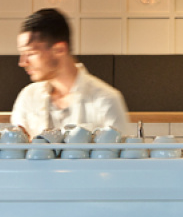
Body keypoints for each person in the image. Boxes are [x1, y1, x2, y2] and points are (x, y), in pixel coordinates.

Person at [11, 8, 130, 139]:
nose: (22, 62)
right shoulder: (27, 98)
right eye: (22, 53)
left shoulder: (106, 100)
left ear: (59, 49)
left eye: (31, 53)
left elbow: (119, 151)